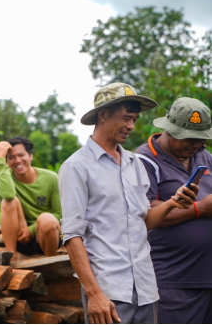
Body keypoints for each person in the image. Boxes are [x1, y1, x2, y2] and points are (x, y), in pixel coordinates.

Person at [59, 83, 199, 325]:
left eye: (134, 119)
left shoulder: (134, 163)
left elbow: (143, 222)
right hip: (108, 293)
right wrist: (94, 294)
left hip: (145, 289)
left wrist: (172, 203)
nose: (131, 126)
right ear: (103, 115)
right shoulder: (76, 167)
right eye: (126, 118)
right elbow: (73, 237)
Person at [134, 98, 212, 324]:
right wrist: (200, 209)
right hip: (173, 280)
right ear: (169, 131)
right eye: (189, 138)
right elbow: (146, 215)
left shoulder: (204, 156)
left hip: (207, 276)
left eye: (201, 139)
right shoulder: (144, 160)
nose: (196, 145)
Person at [0, 137, 61, 260]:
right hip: (21, 236)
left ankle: (51, 261)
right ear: (7, 162)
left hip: (46, 236)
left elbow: (60, 214)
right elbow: (8, 195)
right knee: (9, 201)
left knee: (46, 219)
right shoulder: (4, 176)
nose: (17, 160)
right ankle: (12, 257)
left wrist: (31, 230)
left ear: (30, 156)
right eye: (11, 157)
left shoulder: (51, 178)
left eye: (21, 155)